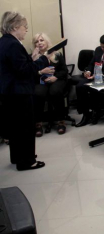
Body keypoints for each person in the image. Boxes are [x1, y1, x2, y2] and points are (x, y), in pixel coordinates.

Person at [0, 11, 51, 171]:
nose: (26, 30)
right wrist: (43, 59)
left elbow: (17, 66)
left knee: (15, 129)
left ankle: (17, 157)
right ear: (15, 26)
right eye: (25, 27)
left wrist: (31, 57)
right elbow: (24, 71)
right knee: (25, 128)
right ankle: (27, 161)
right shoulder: (14, 44)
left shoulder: (4, 42)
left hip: (9, 92)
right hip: (19, 93)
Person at [32, 33, 69, 136]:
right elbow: (30, 73)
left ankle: (61, 121)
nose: (39, 43)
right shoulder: (33, 56)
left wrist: (55, 76)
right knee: (38, 93)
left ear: (46, 41)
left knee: (55, 91)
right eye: (36, 41)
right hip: (41, 80)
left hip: (57, 79)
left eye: (41, 40)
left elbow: (64, 71)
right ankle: (38, 123)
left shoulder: (57, 54)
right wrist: (40, 72)